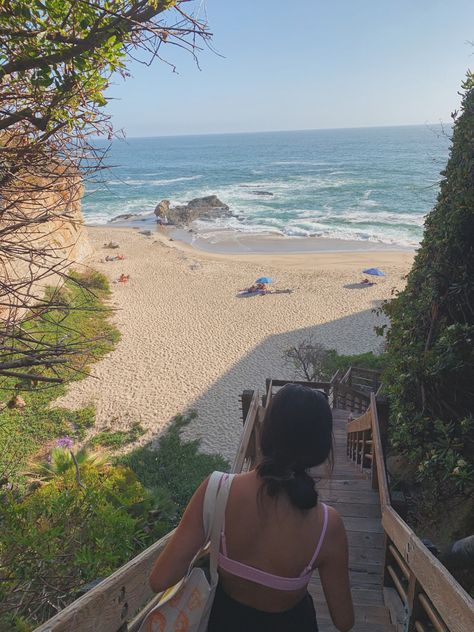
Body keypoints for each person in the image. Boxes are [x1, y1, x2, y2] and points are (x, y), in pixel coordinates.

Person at [149, 384, 354, 632]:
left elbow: (160, 579)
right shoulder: (327, 524)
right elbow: (344, 621)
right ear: (321, 448)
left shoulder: (217, 489)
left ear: (267, 432)